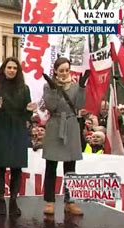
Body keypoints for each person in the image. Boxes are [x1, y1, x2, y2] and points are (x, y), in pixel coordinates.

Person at [0, 57, 36, 216]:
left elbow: (26, 114)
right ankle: (1, 201)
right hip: (0, 130)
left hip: (17, 130)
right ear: (4, 69)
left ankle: (13, 201)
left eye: (15, 68)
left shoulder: (24, 88)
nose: (12, 70)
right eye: (9, 67)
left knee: (17, 168)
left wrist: (29, 110)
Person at [42, 57, 88, 215]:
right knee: (51, 166)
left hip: (71, 125)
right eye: (61, 70)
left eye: (66, 70)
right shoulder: (48, 86)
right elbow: (51, 106)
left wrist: (82, 88)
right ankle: (49, 201)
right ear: (55, 71)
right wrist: (54, 89)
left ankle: (70, 201)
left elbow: (80, 105)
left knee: (70, 167)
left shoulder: (75, 86)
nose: (64, 73)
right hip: (55, 125)